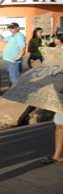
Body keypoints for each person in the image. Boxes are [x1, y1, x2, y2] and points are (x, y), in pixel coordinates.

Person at [40, 33, 63, 164]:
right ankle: (58, 154)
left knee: (60, 124)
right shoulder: (56, 54)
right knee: (59, 124)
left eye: (55, 39)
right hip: (60, 95)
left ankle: (58, 154)